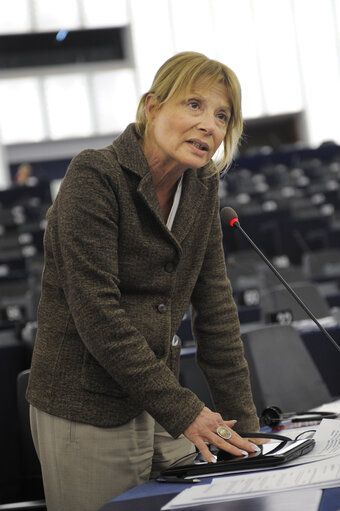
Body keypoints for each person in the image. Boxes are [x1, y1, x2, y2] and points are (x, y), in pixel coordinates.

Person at [27, 51, 260, 511]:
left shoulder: (202, 186)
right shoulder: (94, 175)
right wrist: (186, 411)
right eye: (194, 105)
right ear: (153, 107)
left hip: (156, 402)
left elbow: (215, 309)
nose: (209, 125)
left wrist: (250, 431)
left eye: (221, 116)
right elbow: (98, 315)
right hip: (85, 404)